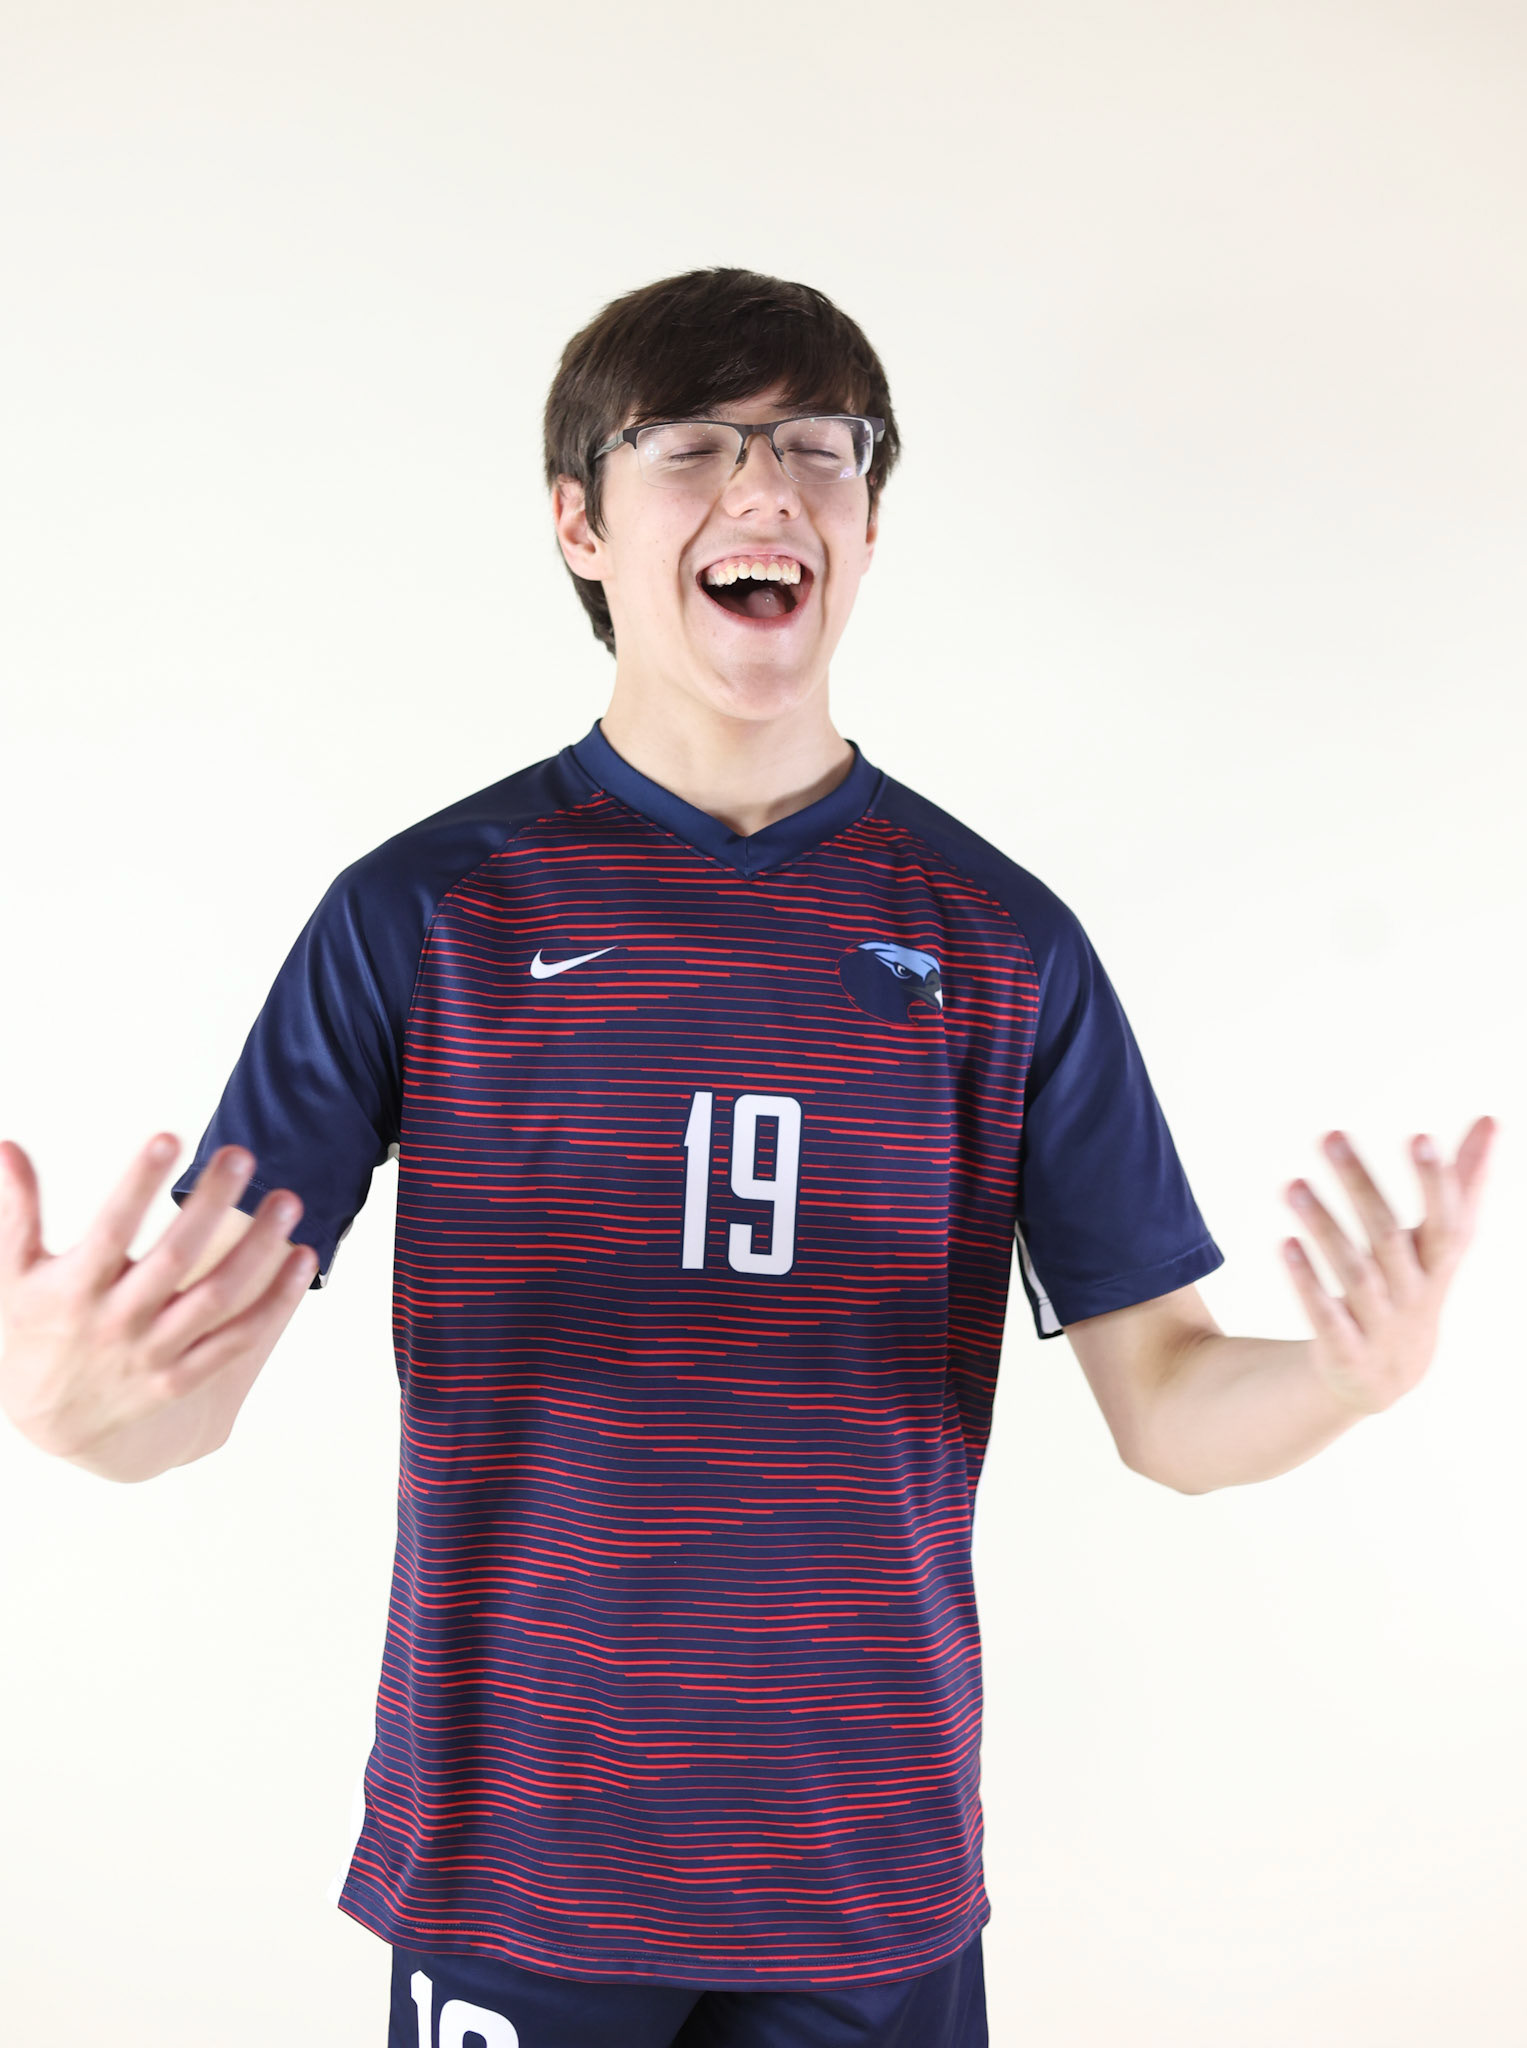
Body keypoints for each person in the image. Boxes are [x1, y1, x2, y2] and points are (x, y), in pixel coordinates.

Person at [0, 266, 1496, 2048]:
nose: (766, 486)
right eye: (694, 445)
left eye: (818, 447)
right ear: (581, 522)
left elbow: (1168, 1402)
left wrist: (1343, 1378)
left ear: (867, 523)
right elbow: (173, 1389)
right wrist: (69, 1410)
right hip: (521, 1864)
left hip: (871, 1876)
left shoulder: (1003, 943)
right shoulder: (424, 915)